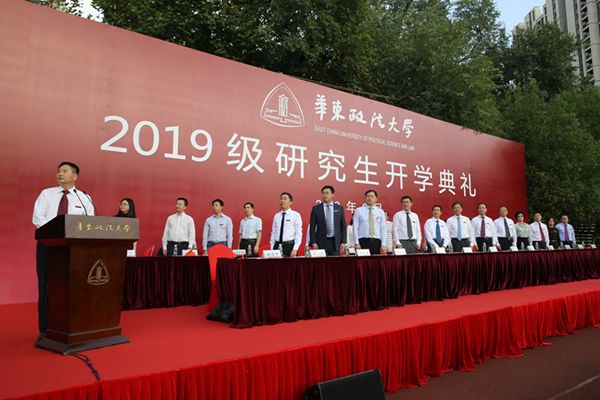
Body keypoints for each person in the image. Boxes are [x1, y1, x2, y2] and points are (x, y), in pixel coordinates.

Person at [32, 161, 94, 340]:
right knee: (46, 287)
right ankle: (45, 329)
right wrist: (57, 232)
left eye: (65, 171)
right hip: (48, 246)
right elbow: (38, 218)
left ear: (75, 176)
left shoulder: (84, 198)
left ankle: (73, 327)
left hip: (74, 249)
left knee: (73, 287)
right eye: (59, 171)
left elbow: (90, 221)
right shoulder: (46, 194)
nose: (60, 174)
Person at [309, 185, 347, 256]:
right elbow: (312, 227)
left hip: (335, 242)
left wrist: (343, 242)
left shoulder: (339, 208)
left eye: (327, 193)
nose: (325, 195)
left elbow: (343, 226)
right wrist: (313, 242)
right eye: (323, 193)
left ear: (332, 195)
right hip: (321, 242)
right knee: (321, 262)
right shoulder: (316, 209)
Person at [353, 190, 387, 255]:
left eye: (372, 196)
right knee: (362, 261)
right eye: (368, 196)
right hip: (363, 241)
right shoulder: (359, 210)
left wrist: (383, 244)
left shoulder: (380, 211)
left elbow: (383, 229)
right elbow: (355, 228)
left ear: (376, 198)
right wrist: (356, 243)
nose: (369, 198)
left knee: (376, 261)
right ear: (365, 198)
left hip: (376, 242)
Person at [270, 192, 302, 257]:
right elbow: (274, 232)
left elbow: (298, 233)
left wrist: (295, 249)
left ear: (290, 202)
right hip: (277, 246)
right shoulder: (276, 216)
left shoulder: (296, 215)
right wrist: (272, 247)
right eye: (281, 199)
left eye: (285, 199)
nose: (282, 200)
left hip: (289, 246)